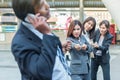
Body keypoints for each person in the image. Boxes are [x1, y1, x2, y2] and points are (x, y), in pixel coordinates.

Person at [11, 0, 72, 80]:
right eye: (41, 6)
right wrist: (47, 34)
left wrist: (58, 50)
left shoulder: (42, 27)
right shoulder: (20, 42)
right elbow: (42, 72)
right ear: (30, 17)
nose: (48, 6)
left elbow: (48, 53)